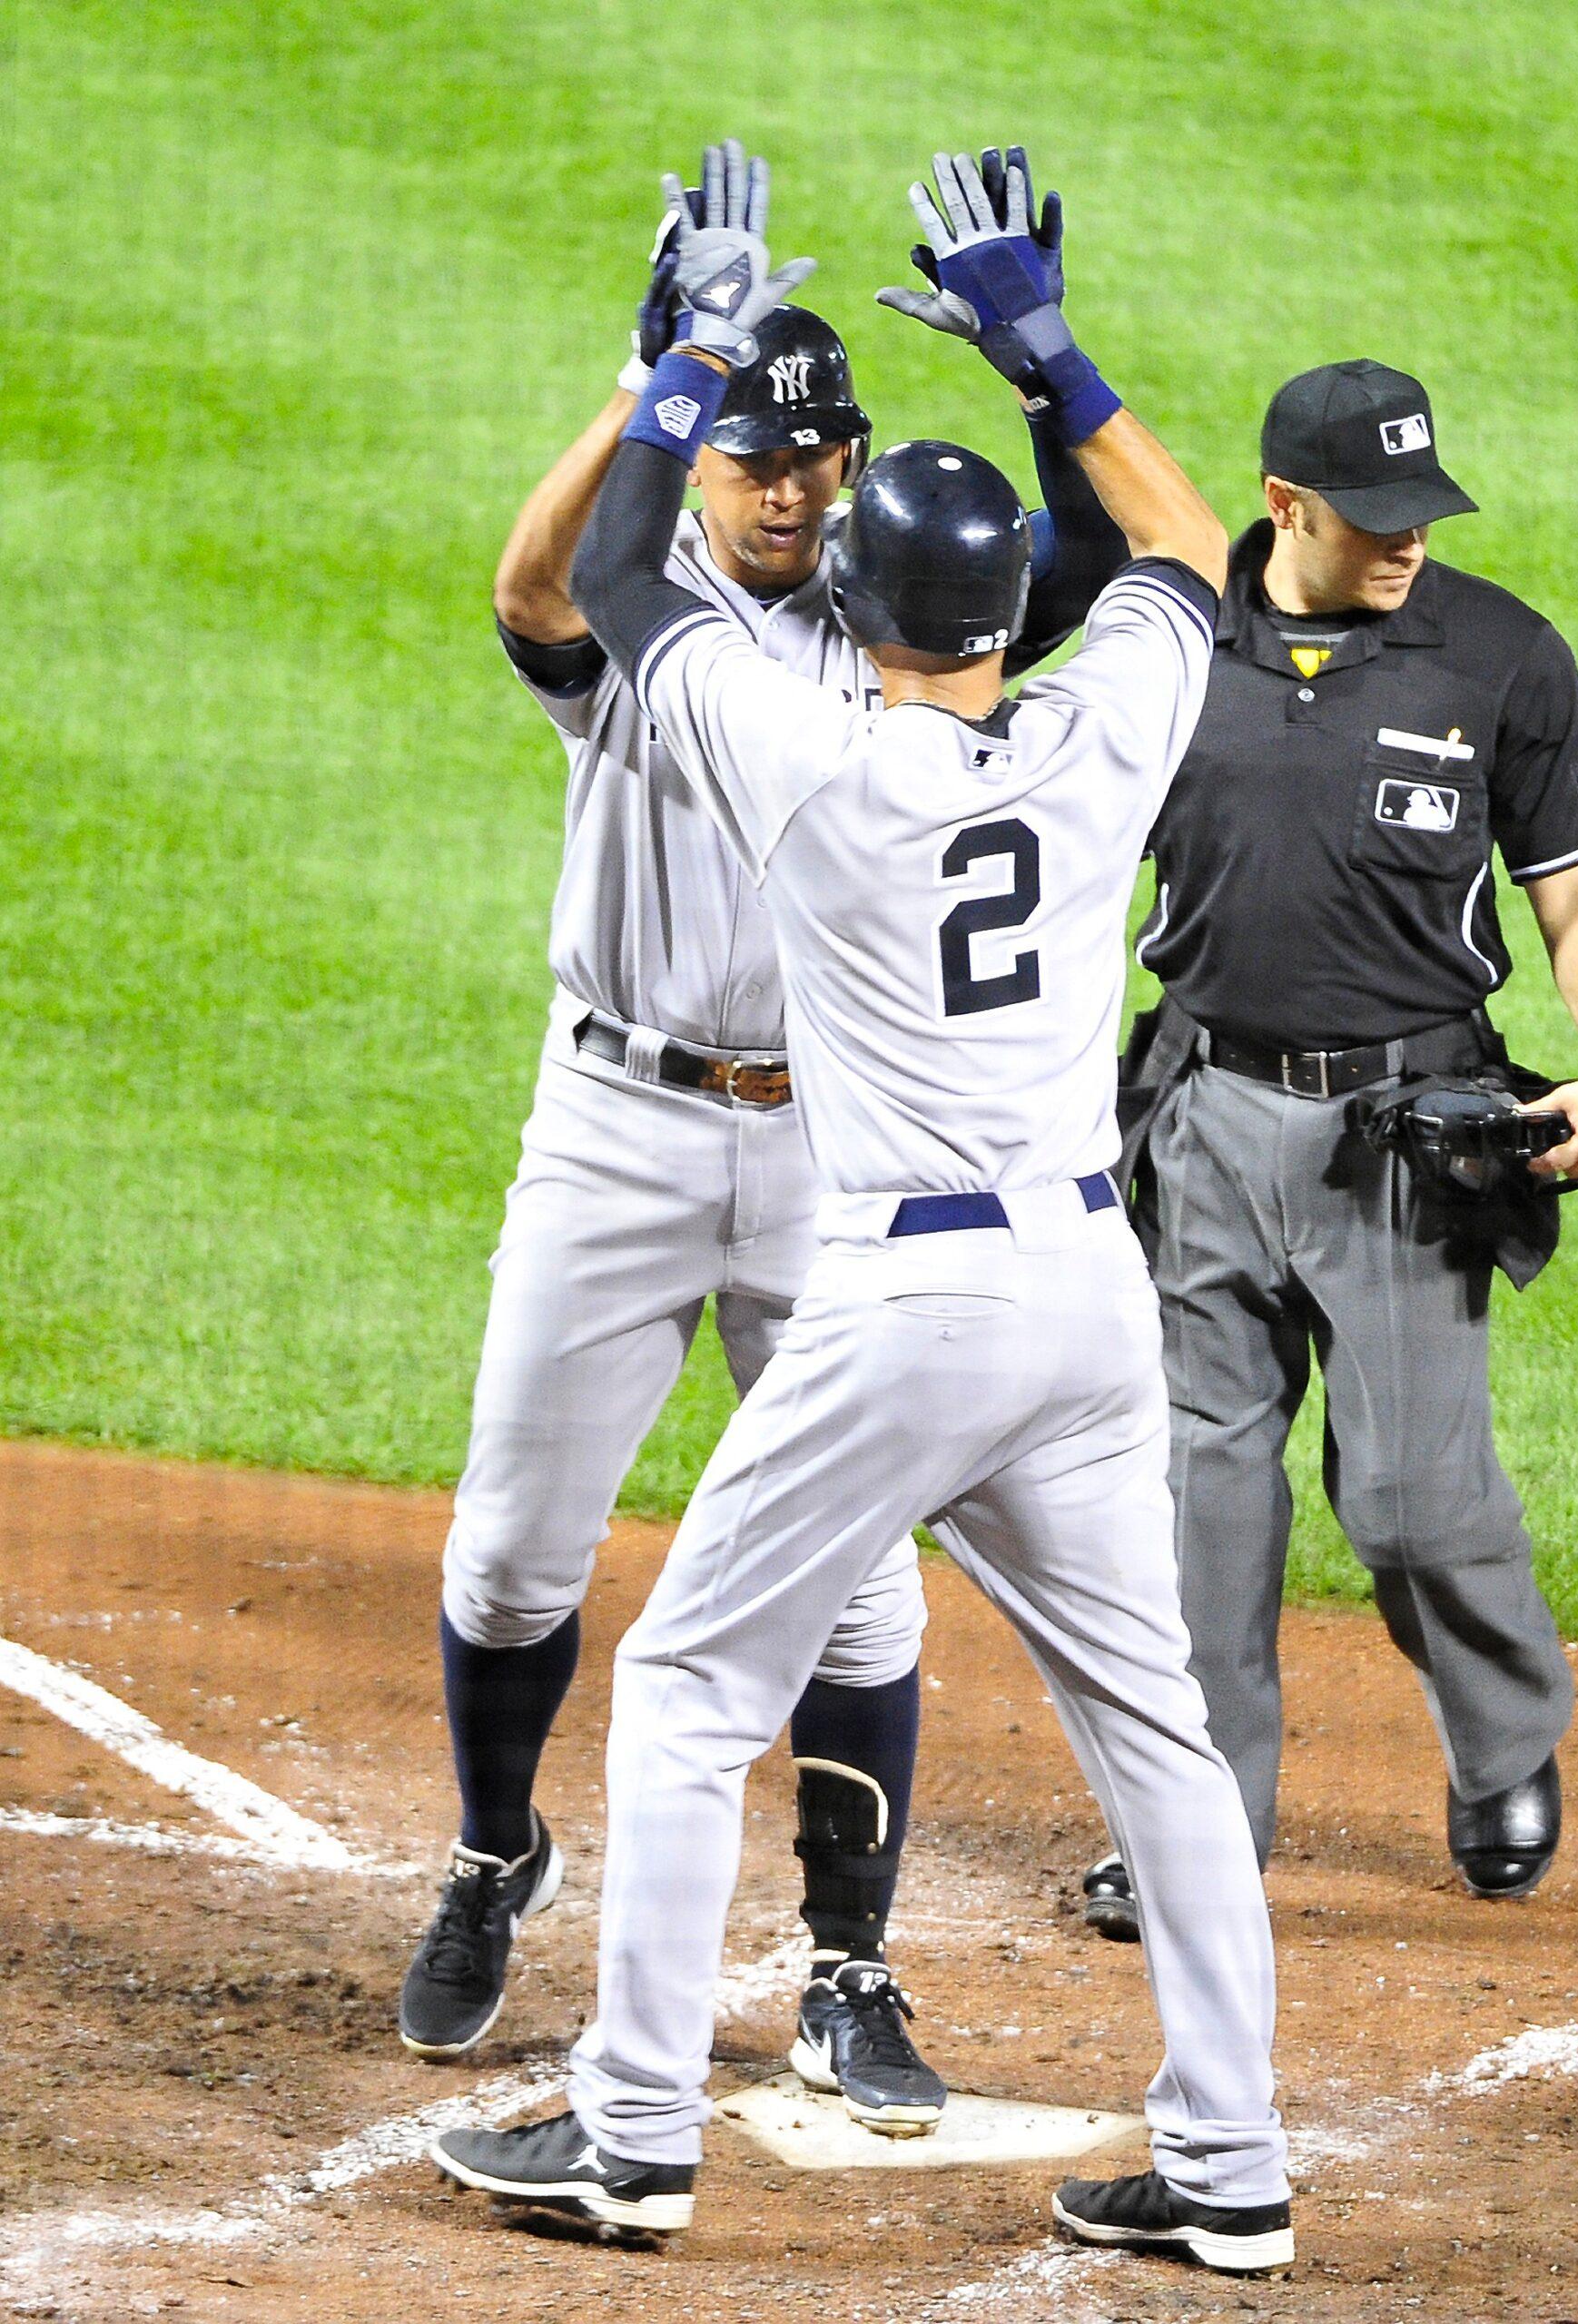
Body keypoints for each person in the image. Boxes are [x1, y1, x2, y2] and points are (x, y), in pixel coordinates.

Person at [430, 143, 1294, 2277]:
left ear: (865, 605)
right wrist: (1045, 351)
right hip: (1097, 1293)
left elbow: (626, 579)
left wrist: (680, 365)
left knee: (687, 1680)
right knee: (1157, 1731)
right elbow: (1184, 548)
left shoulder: (807, 757)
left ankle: (630, 2138)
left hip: (907, 1296)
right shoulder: (1101, 729)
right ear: (1011, 608)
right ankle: (1233, 2165)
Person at [1080, 358, 1578, 1942]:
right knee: (1203, 1487)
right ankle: (1198, 1822)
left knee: (1406, 1495)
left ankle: (1502, 1746)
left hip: (1401, 1138)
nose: (1406, 540)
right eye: (1371, 516)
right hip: (1199, 1115)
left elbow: (1574, 884)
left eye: (1422, 509)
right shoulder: (1173, 641)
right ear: (1283, 505)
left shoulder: (1497, 656)